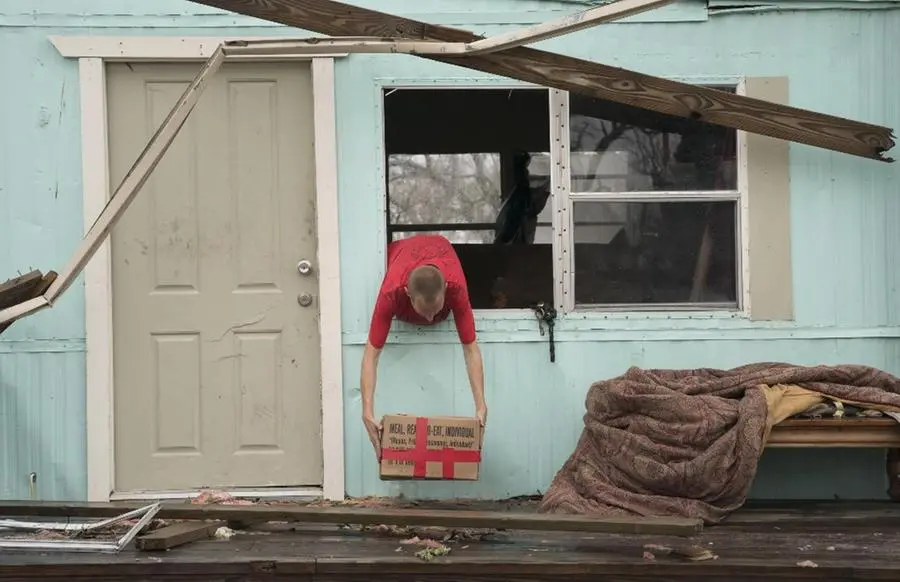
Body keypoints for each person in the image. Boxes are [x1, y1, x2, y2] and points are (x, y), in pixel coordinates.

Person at [361, 234, 487, 457]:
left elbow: (470, 348)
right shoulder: (391, 291)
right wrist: (367, 411)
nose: (430, 320)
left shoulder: (455, 286)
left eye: (435, 311)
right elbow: (371, 355)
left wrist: (480, 406)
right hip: (400, 254)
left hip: (440, 250)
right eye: (424, 312)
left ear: (446, 289)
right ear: (407, 293)